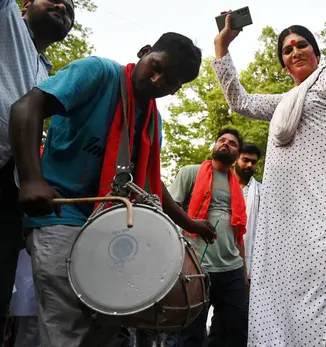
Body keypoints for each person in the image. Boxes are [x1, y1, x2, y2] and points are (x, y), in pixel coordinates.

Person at [9, 32, 215, 347]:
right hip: (61, 213)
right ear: (145, 51)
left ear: (177, 89)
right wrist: (32, 178)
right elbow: (27, 107)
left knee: (111, 325)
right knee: (66, 326)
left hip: (111, 227)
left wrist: (188, 223)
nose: (157, 80)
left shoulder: (152, 121)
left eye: (170, 81)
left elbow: (148, 183)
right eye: (156, 66)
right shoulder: (98, 73)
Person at [212, 15, 326, 346]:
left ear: (316, 52)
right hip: (291, 222)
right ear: (283, 63)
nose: (294, 51)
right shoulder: (286, 102)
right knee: (297, 300)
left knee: (323, 299)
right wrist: (222, 45)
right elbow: (241, 101)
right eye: (287, 49)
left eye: (301, 44)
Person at [0, 0, 73, 341]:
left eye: (71, 8)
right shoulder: (7, 17)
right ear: (26, 4)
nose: (63, 6)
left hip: (10, 186)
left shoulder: (48, 74)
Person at [168, 128, 249, 347]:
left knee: (235, 330)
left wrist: (244, 272)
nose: (226, 144)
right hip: (195, 266)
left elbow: (238, 233)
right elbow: (170, 209)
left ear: (237, 155)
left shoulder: (237, 189)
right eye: (221, 140)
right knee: (191, 334)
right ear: (214, 146)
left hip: (231, 269)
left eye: (232, 143)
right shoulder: (190, 173)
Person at [233, 142, 262, 283]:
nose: (250, 165)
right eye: (246, 160)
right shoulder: (221, 186)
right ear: (235, 160)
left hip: (251, 258)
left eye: (253, 162)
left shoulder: (261, 192)